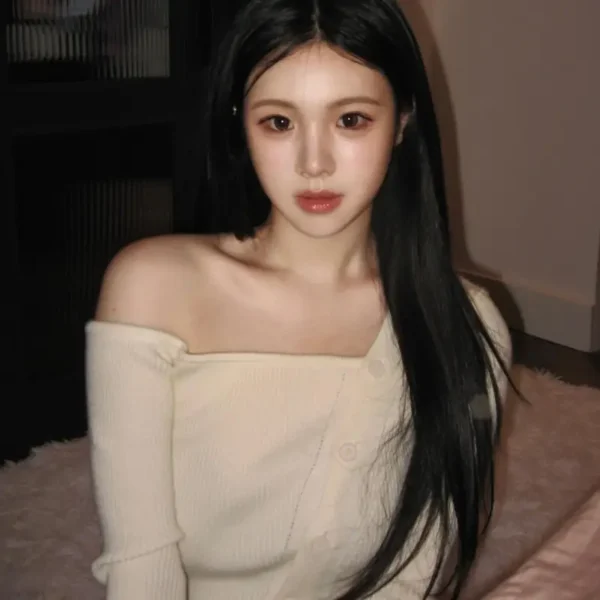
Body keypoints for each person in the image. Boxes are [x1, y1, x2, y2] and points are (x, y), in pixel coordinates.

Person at [85, 0, 514, 598]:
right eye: (279, 123)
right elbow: (141, 565)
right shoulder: (153, 289)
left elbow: (414, 576)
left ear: (403, 120)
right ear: (241, 125)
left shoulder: (466, 325)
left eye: (352, 119)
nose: (315, 163)